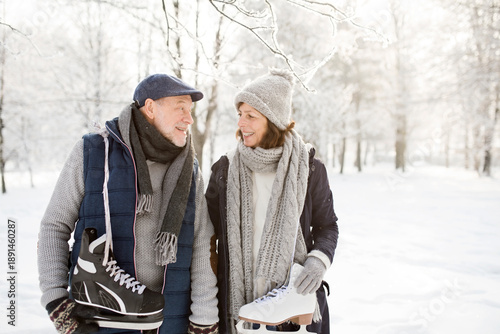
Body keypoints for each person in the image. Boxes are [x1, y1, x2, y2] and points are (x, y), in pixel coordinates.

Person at [37, 74, 219, 334]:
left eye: (189, 110)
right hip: (101, 318)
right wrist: (56, 300)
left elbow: (202, 243)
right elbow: (54, 225)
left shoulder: (188, 169)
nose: (188, 119)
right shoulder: (93, 152)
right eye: (180, 107)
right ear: (151, 107)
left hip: (170, 320)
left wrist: (204, 319)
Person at [205, 69, 339, 333]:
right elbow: (205, 236)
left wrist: (318, 261)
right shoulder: (224, 170)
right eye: (240, 115)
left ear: (274, 120)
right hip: (238, 307)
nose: (241, 123)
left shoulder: (309, 169)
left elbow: (327, 226)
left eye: (251, 116)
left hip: (294, 307)